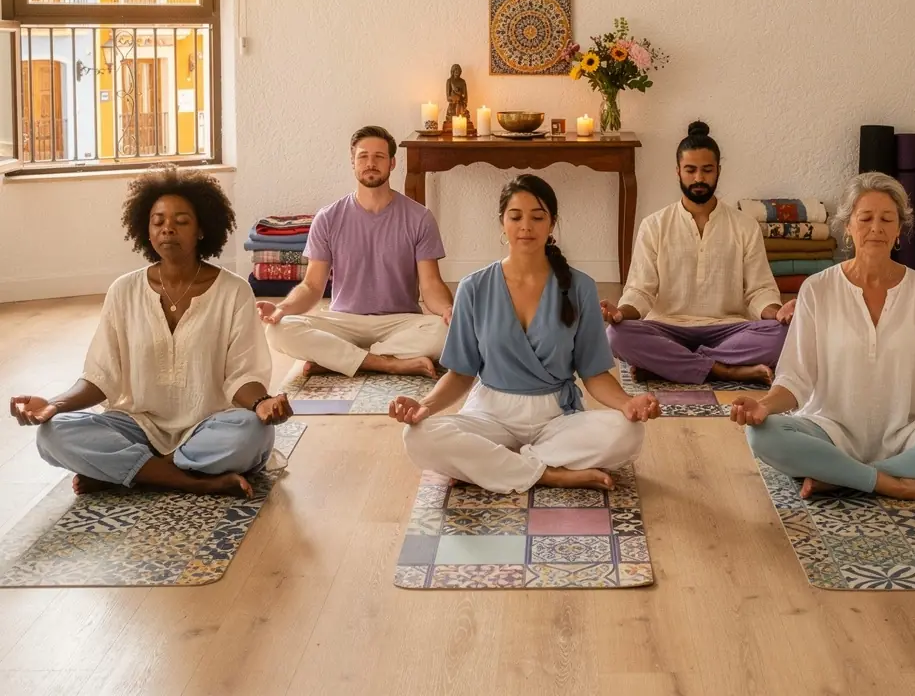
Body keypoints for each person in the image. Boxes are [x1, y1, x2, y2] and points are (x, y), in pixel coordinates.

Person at [732, 172, 915, 507]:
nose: (876, 228)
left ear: (899, 230)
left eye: (887, 219)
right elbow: (795, 379)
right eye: (865, 218)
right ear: (848, 228)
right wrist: (764, 406)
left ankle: (842, 476)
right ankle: (898, 483)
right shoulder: (817, 289)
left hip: (910, 435)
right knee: (762, 434)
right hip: (829, 431)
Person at [9, 167, 291, 498]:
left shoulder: (234, 291)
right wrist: (53, 405)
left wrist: (261, 403)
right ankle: (189, 479)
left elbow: (243, 375)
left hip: (210, 425)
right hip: (136, 426)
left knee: (253, 436)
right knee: (51, 435)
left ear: (202, 229)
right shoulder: (123, 291)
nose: (167, 228)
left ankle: (132, 471)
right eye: (158, 221)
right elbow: (101, 377)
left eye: (181, 221)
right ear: (146, 228)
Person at [390, 174, 659, 494]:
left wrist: (628, 403)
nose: (526, 226)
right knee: (417, 436)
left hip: (557, 417)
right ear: (502, 223)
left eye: (537, 217)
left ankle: (495, 466)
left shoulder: (580, 286)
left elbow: (594, 373)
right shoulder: (473, 287)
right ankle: (548, 473)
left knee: (629, 433)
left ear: (552, 223)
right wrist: (426, 406)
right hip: (490, 414)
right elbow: (461, 373)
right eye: (515, 217)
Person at [604, 121, 795, 386]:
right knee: (616, 335)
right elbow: (641, 291)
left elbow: (758, 290)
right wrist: (620, 314)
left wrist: (778, 313)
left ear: (718, 171)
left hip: (728, 330)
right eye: (690, 170)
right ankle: (723, 370)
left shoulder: (744, 226)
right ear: (677, 171)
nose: (699, 178)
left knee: (784, 334)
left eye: (707, 170)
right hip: (668, 329)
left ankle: (670, 365)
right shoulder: (654, 225)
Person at [261, 125, 453, 378]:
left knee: (448, 331)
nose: (370, 163)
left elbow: (430, 285)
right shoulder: (328, 218)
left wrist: (449, 310)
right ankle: (387, 362)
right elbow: (312, 287)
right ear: (353, 162)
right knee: (278, 330)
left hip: (399, 321)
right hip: (344, 321)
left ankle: (338, 359)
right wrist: (283, 308)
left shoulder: (420, 217)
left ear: (392, 163)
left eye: (379, 157)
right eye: (363, 156)